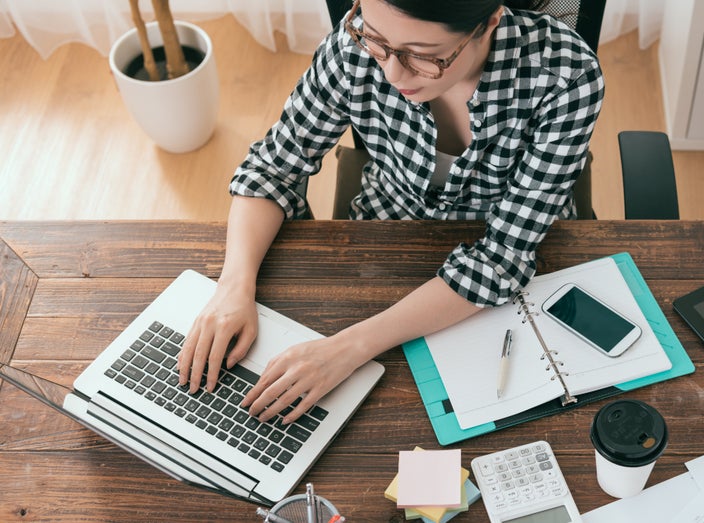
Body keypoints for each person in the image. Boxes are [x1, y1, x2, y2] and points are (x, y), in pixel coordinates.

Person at [177, 0, 604, 425]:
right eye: (378, 42)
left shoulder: (566, 77)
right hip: (386, 235)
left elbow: (501, 258)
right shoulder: (353, 47)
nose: (393, 74)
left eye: (423, 55)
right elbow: (272, 169)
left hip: (515, 273)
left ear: (488, 21)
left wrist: (348, 348)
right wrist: (232, 288)